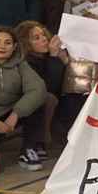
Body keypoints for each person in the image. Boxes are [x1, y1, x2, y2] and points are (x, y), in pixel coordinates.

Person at [0, 25, 45, 171]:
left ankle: (28, 151)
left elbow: (38, 88)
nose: (2, 46)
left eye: (8, 43)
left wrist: (15, 114)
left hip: (10, 115)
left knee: (40, 101)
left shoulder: (20, 65)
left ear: (14, 46)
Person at [14, 20, 65, 158]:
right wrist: (54, 57)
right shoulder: (25, 62)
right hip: (23, 103)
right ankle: (35, 143)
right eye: (36, 38)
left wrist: (62, 59)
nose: (44, 39)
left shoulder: (47, 57)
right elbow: (47, 87)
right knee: (47, 98)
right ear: (26, 44)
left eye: (43, 35)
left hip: (49, 102)